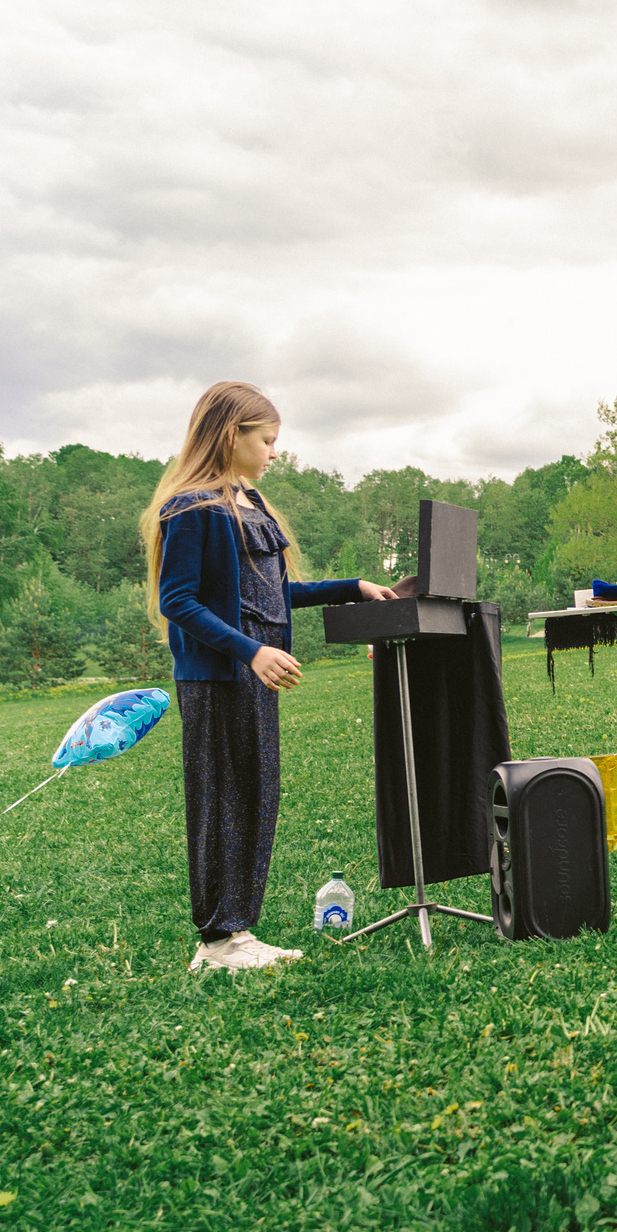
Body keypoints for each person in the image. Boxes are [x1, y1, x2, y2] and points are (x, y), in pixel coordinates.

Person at [147, 382, 397, 971]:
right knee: (220, 801)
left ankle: (238, 932)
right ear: (230, 434)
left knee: (255, 796)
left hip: (253, 679)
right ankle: (217, 941)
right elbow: (177, 601)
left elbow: (274, 593)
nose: (274, 452)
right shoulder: (193, 508)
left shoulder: (249, 504)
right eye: (267, 440)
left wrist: (352, 587)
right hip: (216, 679)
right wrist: (250, 653)